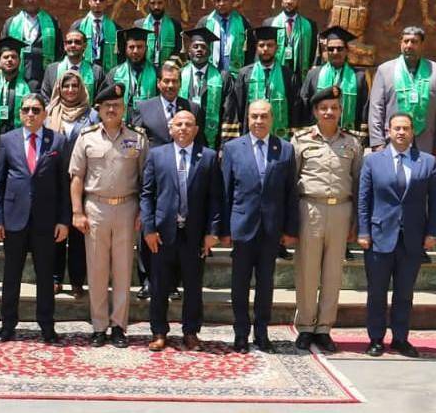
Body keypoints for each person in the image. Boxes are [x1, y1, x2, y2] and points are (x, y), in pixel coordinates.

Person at [357, 112, 436, 358]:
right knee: (377, 292)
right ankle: (376, 339)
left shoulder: (427, 162)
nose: (401, 132)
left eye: (406, 128)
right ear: (388, 131)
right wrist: (363, 231)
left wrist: (432, 232)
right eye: (397, 128)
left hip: (412, 238)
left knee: (405, 293)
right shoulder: (373, 161)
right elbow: (364, 199)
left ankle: (400, 338)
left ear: (413, 132)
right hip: (379, 236)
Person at [69, 83, 149, 348]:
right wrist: (77, 211)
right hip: (96, 208)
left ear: (124, 108)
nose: (112, 110)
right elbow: (77, 177)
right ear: (99, 110)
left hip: (127, 207)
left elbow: (146, 179)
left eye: (116, 105)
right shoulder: (87, 137)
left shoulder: (138, 138)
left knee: (123, 270)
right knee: (97, 270)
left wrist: (143, 212)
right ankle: (99, 326)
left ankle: (119, 327)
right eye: (106, 106)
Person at [219, 100, 298, 352]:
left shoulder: (285, 149)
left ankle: (262, 333)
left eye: (264, 116)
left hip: (271, 229)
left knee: (266, 283)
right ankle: (241, 333)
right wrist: (224, 230)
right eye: (254, 116)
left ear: (272, 119)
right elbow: (225, 192)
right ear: (247, 118)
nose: (259, 121)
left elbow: (290, 193)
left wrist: (290, 229)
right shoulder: (232, 148)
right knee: (240, 284)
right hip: (242, 226)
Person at [0, 93, 69, 343]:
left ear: (44, 114)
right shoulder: (7, 140)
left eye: (36, 110)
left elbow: (64, 185)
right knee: (11, 275)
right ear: (20, 113)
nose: (31, 114)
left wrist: (63, 220)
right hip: (14, 218)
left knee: (45, 276)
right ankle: (7, 324)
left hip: (46, 221)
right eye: (26, 110)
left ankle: (47, 325)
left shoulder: (57, 141)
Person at [140, 110, 222, 351]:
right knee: (159, 286)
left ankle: (191, 332)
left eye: (188, 124)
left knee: (193, 287)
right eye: (179, 124)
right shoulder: (157, 155)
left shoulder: (208, 157)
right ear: (171, 129)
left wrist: (212, 232)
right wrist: (148, 228)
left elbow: (216, 198)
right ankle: (159, 332)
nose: (184, 128)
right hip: (162, 234)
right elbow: (147, 194)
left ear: (196, 130)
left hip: (194, 235)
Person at [291, 86, 365, 351]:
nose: (329, 112)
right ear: (315, 111)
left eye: (334, 108)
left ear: (341, 111)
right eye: (323, 108)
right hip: (310, 208)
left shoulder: (352, 143)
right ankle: (306, 326)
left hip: (341, 210)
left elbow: (358, 182)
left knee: (333, 273)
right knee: (307, 271)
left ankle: (324, 328)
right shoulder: (300, 140)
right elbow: (292, 180)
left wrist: (356, 220)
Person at [131, 60, 205, 299]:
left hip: (183, 176)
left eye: (175, 81)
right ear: (159, 83)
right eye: (166, 81)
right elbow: (135, 143)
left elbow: (200, 142)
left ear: (180, 84)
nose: (170, 85)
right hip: (153, 176)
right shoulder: (144, 108)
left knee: (176, 233)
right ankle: (147, 280)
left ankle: (172, 283)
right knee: (148, 226)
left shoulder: (192, 108)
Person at [46, 70, 99, 297]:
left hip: (83, 179)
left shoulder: (92, 115)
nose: (70, 90)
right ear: (59, 88)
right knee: (56, 229)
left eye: (74, 86)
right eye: (66, 86)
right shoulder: (49, 113)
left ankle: (77, 280)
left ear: (81, 89)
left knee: (79, 232)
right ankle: (55, 277)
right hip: (55, 180)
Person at [368, 26, 436, 158]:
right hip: (391, 143)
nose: (409, 45)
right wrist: (377, 142)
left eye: (414, 42)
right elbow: (376, 109)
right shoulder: (385, 71)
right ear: (400, 43)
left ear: (422, 45)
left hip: (426, 144)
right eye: (406, 41)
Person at [299, 27, 369, 133]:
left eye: (339, 48)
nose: (335, 52)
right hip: (317, 135)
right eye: (331, 49)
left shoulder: (359, 77)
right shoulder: (313, 74)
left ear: (347, 50)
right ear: (326, 51)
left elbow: (364, 109)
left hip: (348, 135)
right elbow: (304, 105)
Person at [234, 26, 298, 139]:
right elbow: (238, 107)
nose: (265, 49)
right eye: (261, 45)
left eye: (270, 45)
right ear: (256, 47)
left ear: (277, 47)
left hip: (280, 136)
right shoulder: (245, 74)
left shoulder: (288, 75)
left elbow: (295, 108)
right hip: (250, 135)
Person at [178, 27, 235, 148]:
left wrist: (224, 146)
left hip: (212, 140)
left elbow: (229, 114)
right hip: (184, 136)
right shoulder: (179, 75)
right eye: (195, 46)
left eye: (203, 47)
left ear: (209, 52)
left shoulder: (223, 77)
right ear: (189, 51)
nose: (199, 50)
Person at [263, 0, 318, 96]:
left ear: (299, 1)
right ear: (281, 1)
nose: (289, 1)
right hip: (276, 76)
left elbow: (313, 52)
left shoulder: (309, 25)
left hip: (300, 78)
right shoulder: (269, 23)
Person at [4, 0, 61, 89]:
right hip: (18, 74)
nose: (30, 0)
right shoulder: (11, 23)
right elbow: (4, 50)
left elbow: (59, 50)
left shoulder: (52, 22)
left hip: (43, 75)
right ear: (22, 0)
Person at [105, 26, 157, 122]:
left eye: (140, 47)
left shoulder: (156, 72)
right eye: (131, 47)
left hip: (148, 121)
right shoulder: (114, 73)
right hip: (122, 120)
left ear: (146, 48)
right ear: (125, 48)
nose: (135, 51)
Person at [40, 27, 106, 100]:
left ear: (84, 46)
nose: (73, 45)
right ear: (65, 46)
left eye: (77, 42)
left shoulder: (96, 71)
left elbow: (100, 100)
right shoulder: (52, 70)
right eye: (69, 42)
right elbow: (45, 97)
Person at [196, 0, 250, 74]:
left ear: (231, 1)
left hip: (236, 75)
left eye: (225, 0)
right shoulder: (205, 22)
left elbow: (250, 50)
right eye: (218, 0)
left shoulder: (242, 22)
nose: (221, 3)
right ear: (214, 2)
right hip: (211, 75)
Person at [70, 0, 118, 73]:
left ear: (107, 2)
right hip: (84, 74)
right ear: (89, 1)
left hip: (107, 74)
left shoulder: (116, 28)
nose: (98, 2)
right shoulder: (77, 26)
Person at [132, 0, 181, 67]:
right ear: (148, 3)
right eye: (152, 3)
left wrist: (168, 67)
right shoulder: (139, 25)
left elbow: (178, 50)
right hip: (144, 69)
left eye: (160, 3)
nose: (156, 7)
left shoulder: (175, 25)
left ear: (165, 2)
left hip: (167, 69)